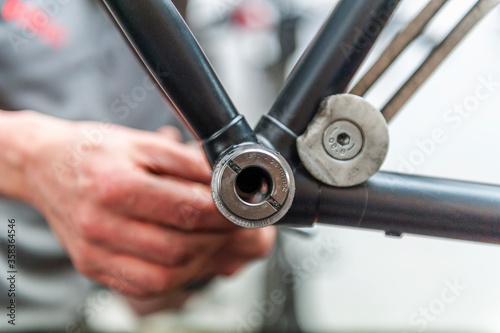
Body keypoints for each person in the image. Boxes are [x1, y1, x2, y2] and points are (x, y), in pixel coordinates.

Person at [0, 0, 276, 331]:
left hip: (90, 315)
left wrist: (184, 255)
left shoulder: (201, 43)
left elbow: (152, 295)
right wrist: (28, 155)